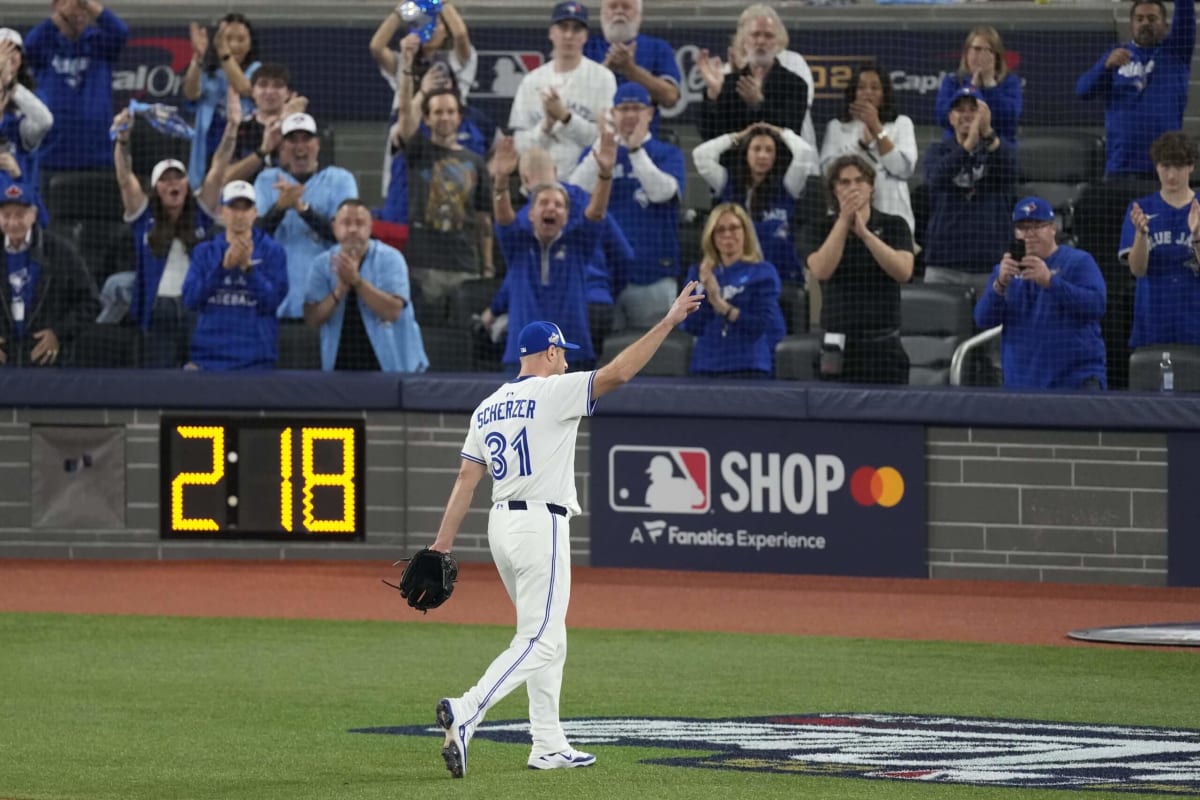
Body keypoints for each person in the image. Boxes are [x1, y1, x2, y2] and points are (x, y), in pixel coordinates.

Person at [429, 284, 703, 779]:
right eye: (562, 354)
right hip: (540, 525)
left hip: (500, 528)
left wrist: (441, 545)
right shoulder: (555, 390)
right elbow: (618, 374)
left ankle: (548, 743)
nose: (564, 361)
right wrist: (668, 322)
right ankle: (467, 710)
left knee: (546, 634)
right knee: (540, 641)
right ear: (551, 353)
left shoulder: (486, 406)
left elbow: (466, 480)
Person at [108, 98, 228, 367]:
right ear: (156, 188)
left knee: (199, 381)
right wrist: (123, 142)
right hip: (157, 309)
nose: (173, 183)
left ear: (187, 184)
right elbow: (125, 178)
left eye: (178, 177)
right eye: (165, 179)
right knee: (158, 382)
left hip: (195, 311)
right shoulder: (143, 216)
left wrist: (231, 129)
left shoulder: (201, 212)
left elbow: (218, 169)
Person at [489, 130, 616, 369]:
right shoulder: (517, 244)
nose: (552, 208)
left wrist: (605, 175)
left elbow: (596, 213)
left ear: (567, 216)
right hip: (522, 357)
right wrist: (501, 181)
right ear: (530, 213)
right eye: (544, 203)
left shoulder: (579, 244)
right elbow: (504, 218)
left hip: (572, 355)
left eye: (558, 204)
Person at [570, 82, 684, 330]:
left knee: (654, 356)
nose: (631, 115)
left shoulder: (667, 153)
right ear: (612, 114)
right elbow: (574, 196)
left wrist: (635, 150)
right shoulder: (596, 154)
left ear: (650, 113)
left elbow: (662, 192)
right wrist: (602, 145)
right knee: (607, 361)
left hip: (653, 275)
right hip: (604, 279)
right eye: (623, 109)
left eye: (637, 108)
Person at [975, 197, 1107, 390]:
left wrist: (1050, 282)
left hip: (1075, 382)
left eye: (1037, 226)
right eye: (1022, 228)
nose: (1029, 234)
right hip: (1022, 384)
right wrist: (1000, 284)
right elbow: (983, 319)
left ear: (1053, 228)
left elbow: (1096, 306)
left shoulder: (1079, 261)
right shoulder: (1004, 270)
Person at [806, 155, 914, 385]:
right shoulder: (818, 228)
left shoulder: (895, 224)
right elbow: (821, 270)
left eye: (859, 180)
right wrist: (844, 222)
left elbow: (904, 271)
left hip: (884, 344)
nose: (853, 187)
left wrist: (865, 234)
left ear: (871, 186)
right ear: (834, 190)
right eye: (844, 182)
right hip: (837, 344)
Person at [394, 72, 493, 308]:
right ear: (426, 119)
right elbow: (406, 117)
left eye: (450, 111)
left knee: (463, 338)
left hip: (464, 266)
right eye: (437, 112)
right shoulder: (418, 151)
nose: (444, 117)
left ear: (459, 117)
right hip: (422, 266)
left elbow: (483, 219)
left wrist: (487, 265)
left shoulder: (476, 162)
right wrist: (419, 87)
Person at [304, 199, 428, 373]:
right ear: (334, 227)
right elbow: (313, 319)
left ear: (370, 227)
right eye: (346, 223)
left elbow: (393, 312)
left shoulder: (391, 259)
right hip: (339, 367)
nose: (353, 229)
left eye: (360, 223)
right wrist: (339, 291)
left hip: (392, 368)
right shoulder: (321, 264)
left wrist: (356, 281)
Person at [253, 112, 358, 319]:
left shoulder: (340, 179)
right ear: (283, 146)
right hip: (275, 300)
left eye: (306, 139)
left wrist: (303, 209)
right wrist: (280, 207)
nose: (299, 146)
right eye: (292, 140)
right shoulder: (267, 180)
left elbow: (344, 234)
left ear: (317, 144)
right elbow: (255, 236)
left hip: (324, 300)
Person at [1076, 0, 1195, 181]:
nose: (1145, 23)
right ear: (1131, 25)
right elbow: (1082, 91)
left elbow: (1186, 11)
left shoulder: (1177, 52)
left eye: (1152, 18)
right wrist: (1105, 66)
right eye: (1139, 19)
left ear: (1165, 25)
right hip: (1121, 165)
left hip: (1166, 168)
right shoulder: (1115, 54)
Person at [693, 121, 818, 283]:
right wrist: (738, 137)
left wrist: (780, 132)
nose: (762, 155)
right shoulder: (727, 182)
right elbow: (701, 156)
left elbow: (805, 153)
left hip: (782, 278)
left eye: (769, 150)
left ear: (775, 156)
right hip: (736, 280)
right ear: (746, 152)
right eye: (756, 149)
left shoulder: (788, 185)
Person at [182, 180, 287, 370]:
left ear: (255, 213)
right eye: (233, 207)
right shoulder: (204, 252)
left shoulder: (273, 251)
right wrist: (222, 269)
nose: (239, 215)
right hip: (209, 359)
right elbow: (190, 299)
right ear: (222, 211)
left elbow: (271, 302)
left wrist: (249, 271)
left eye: (246, 208)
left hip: (256, 361)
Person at [922, 86, 1018, 295]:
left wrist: (988, 137)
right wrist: (966, 147)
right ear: (950, 118)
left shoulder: (1000, 151)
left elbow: (1010, 175)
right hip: (943, 265)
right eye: (960, 109)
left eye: (973, 109)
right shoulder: (936, 151)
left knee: (994, 327)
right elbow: (936, 179)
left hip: (991, 265)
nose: (966, 115)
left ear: (985, 116)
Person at [509, 1, 617, 178]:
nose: (569, 35)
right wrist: (546, 126)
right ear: (551, 33)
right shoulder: (532, 81)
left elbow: (605, 141)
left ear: (585, 36)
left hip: (585, 187)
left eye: (576, 29)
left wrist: (566, 118)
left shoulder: (603, 78)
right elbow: (519, 146)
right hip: (538, 187)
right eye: (563, 27)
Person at [0, 175, 97, 367]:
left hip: (47, 366)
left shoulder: (61, 252)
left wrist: (59, 333)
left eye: (20, 215)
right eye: (6, 215)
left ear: (34, 214)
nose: (12, 223)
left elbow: (91, 302)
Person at [680, 202, 786, 378]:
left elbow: (759, 325)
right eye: (720, 230)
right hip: (706, 365)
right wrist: (706, 293)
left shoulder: (762, 272)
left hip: (749, 365)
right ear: (711, 236)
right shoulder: (698, 273)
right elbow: (691, 326)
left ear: (745, 232)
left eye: (734, 228)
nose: (727, 234)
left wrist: (721, 305)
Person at [23, 0, 128, 175]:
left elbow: (121, 32)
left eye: (82, 7)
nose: (78, 12)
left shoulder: (99, 43)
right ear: (55, 6)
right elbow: (29, 46)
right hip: (51, 156)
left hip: (97, 156)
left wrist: (86, 3)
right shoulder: (45, 42)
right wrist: (61, 16)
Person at [1121, 132, 1200, 350]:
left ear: (1191, 167)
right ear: (1156, 167)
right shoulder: (1140, 208)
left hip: (1195, 323)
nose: (1172, 175)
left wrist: (1197, 236)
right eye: (1165, 167)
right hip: (1152, 322)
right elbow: (1137, 270)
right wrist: (1141, 234)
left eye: (1179, 167)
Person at [820, 63, 918, 235]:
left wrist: (877, 128)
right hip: (847, 217)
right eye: (862, 87)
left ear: (884, 93)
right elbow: (828, 171)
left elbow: (902, 169)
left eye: (875, 87)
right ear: (853, 93)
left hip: (892, 214)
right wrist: (859, 147)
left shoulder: (901, 124)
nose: (868, 93)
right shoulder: (837, 127)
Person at [695, 4, 809, 144]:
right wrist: (713, 95)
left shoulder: (795, 84)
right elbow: (709, 135)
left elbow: (791, 131)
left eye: (768, 36)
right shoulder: (729, 83)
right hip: (733, 164)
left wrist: (759, 104)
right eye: (755, 35)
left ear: (778, 43)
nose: (761, 41)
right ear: (743, 41)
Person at [182, 14, 259, 188]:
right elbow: (191, 93)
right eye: (228, 39)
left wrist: (223, 52)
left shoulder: (257, 71)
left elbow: (244, 88)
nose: (233, 45)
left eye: (241, 39)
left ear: (250, 43)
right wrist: (198, 58)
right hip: (208, 155)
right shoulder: (208, 73)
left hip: (243, 158)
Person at [582, 0, 681, 129]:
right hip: (593, 137)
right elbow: (572, 96)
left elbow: (670, 97)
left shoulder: (658, 47)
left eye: (626, 7)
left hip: (643, 141)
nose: (619, 11)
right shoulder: (585, 48)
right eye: (613, 6)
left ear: (639, 15)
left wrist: (631, 70)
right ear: (602, 13)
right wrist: (606, 70)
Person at [934, 27, 1022, 148]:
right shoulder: (953, 81)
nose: (982, 55)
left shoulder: (1010, 82)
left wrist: (990, 85)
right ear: (967, 53)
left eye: (989, 50)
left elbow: (1010, 119)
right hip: (958, 149)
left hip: (998, 151)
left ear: (996, 57)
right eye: (977, 49)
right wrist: (971, 88)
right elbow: (942, 117)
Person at [225, 64, 308, 184]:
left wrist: (287, 123)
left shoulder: (301, 129)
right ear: (253, 92)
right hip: (247, 199)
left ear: (289, 94)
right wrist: (262, 151)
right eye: (263, 85)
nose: (269, 91)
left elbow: (310, 172)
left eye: (278, 85)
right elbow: (225, 178)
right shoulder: (239, 129)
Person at [0, 29, 55, 204]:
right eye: (3, 48)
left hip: (20, 188)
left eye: (14, 49)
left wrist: (10, 84)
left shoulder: (33, 94)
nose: (9, 55)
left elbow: (44, 121)